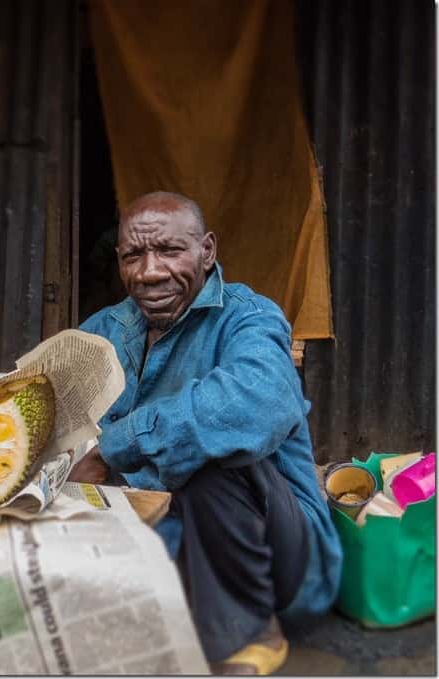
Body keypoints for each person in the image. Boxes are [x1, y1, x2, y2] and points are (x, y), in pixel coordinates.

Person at [70, 191, 341, 675]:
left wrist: (115, 448)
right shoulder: (102, 330)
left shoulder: (248, 316)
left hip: (271, 553)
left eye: (170, 251)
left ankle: (249, 631)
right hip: (157, 538)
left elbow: (258, 402)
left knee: (213, 450)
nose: (150, 272)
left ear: (207, 251)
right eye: (134, 256)